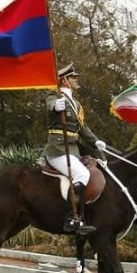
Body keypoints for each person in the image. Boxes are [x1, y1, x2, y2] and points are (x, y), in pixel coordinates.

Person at [43, 64, 106, 235]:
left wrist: (96, 142)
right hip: (57, 149)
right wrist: (57, 106)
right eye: (73, 77)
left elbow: (82, 129)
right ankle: (71, 217)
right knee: (82, 175)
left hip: (72, 150)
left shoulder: (76, 104)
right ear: (64, 80)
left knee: (86, 172)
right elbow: (50, 106)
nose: (76, 79)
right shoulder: (54, 95)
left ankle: (79, 215)